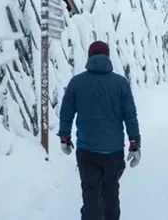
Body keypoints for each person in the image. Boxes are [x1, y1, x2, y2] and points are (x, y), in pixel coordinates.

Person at [58, 40, 141, 220]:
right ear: (108, 57)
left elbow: (66, 113)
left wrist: (64, 138)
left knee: (90, 192)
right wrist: (134, 144)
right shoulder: (121, 84)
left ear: (89, 57)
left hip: (87, 151)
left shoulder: (77, 83)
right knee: (110, 193)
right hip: (114, 151)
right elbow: (130, 116)